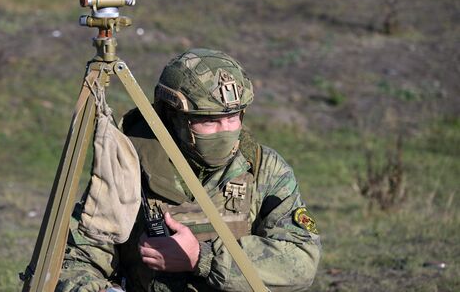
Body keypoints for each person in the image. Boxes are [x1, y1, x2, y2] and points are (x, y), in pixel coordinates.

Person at [56, 48, 321, 292]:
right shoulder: (128, 165)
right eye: (209, 121)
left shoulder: (265, 169)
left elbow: (301, 261)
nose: (225, 131)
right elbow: (76, 259)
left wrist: (200, 257)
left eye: (232, 118)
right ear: (174, 118)